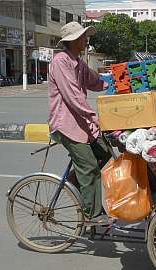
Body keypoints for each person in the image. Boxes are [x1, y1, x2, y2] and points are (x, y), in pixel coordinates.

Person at [48, 22, 111, 219]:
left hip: (82, 124)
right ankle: (92, 214)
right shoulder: (60, 61)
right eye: (83, 37)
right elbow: (72, 96)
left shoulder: (78, 62)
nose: (86, 40)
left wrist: (119, 82)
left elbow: (95, 82)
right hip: (67, 124)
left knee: (105, 153)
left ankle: (75, 185)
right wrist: (94, 117)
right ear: (73, 40)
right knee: (89, 166)